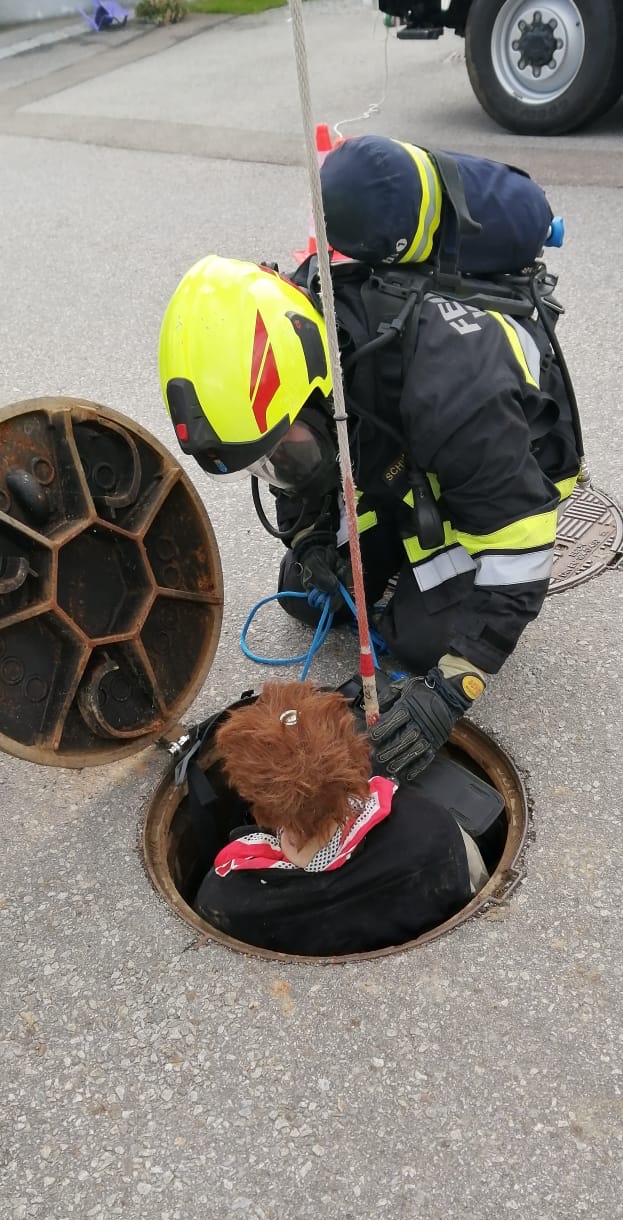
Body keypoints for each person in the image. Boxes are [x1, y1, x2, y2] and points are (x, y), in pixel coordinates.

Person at [157, 248, 580, 782]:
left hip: (492, 495)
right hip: (399, 462)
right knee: (306, 592)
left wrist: (452, 690)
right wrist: (311, 538)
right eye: (268, 465)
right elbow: (306, 464)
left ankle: (433, 595)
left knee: (421, 643)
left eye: (284, 453)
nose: (280, 470)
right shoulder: (307, 342)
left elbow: (523, 550)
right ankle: (395, 571)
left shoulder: (455, 392)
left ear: (318, 390)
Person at [194, 681, 486, 956]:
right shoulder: (435, 829)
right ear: (356, 756)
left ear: (254, 798)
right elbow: (475, 888)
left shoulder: (225, 896)